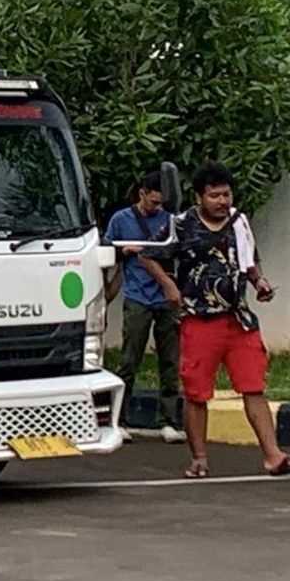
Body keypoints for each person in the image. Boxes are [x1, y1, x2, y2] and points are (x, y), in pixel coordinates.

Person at [140, 162, 287, 478]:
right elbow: (148, 254)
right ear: (198, 197)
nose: (222, 201)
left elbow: (249, 261)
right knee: (197, 393)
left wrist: (259, 283)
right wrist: (168, 285)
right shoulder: (180, 225)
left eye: (226, 194)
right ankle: (199, 459)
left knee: (253, 387)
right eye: (215, 196)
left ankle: (273, 455)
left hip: (239, 320)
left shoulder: (239, 222)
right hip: (199, 320)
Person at [103, 171, 184, 444]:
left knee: (170, 360)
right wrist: (123, 251)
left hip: (166, 298)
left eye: (161, 204)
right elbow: (106, 251)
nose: (157, 208)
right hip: (137, 295)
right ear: (142, 194)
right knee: (129, 359)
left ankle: (169, 419)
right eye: (153, 203)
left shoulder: (172, 221)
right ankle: (121, 418)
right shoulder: (121, 220)